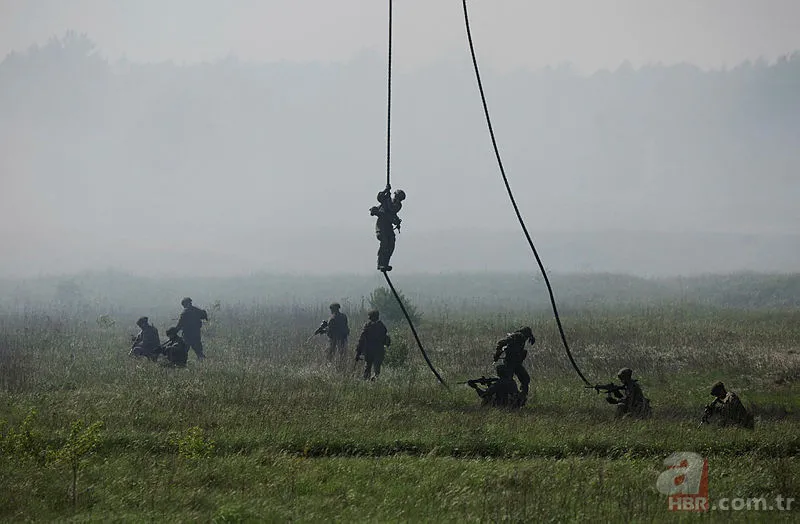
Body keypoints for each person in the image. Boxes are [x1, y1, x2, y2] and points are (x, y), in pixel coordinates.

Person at [370, 185, 405, 272]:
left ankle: (385, 263)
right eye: (397, 196)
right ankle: (381, 263)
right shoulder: (387, 199)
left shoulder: (397, 205)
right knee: (384, 242)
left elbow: (392, 210)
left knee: (391, 244)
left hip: (388, 226)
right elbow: (380, 197)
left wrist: (396, 221)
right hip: (382, 226)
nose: (397, 199)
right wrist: (386, 190)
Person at [493, 327, 535, 399]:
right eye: (527, 336)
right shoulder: (518, 336)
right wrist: (497, 353)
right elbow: (501, 342)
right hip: (510, 362)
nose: (526, 338)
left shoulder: (521, 337)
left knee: (525, 378)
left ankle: (521, 397)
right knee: (508, 380)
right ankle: (508, 397)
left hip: (516, 363)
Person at [355, 309, 391, 381]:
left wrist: (358, 352)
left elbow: (361, 339)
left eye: (370, 317)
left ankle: (368, 382)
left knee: (368, 369)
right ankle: (372, 381)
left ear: (372, 317)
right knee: (376, 370)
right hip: (378, 351)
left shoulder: (368, 326)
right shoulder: (382, 326)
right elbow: (386, 340)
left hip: (370, 351)